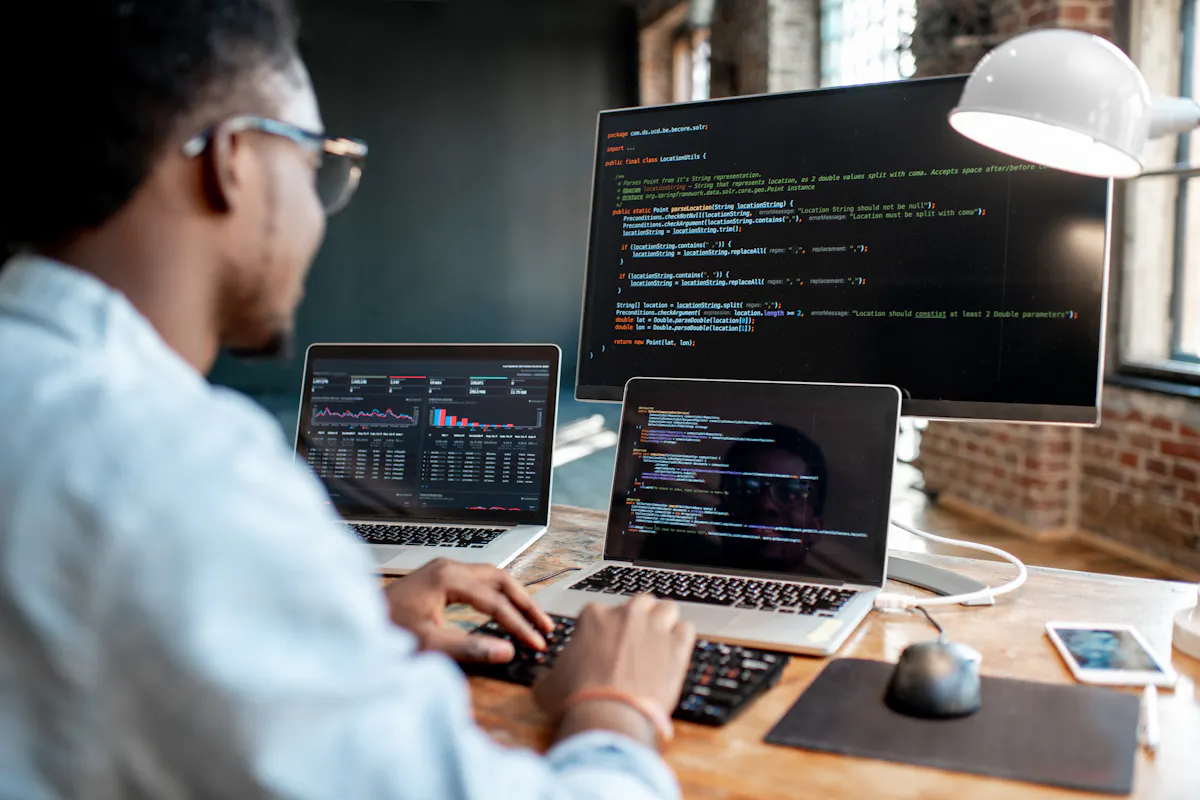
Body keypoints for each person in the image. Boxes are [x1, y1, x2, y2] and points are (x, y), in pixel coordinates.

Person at [0, 2, 694, 798]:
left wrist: (333, 635)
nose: (319, 213)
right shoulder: (181, 471)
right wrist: (616, 709)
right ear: (233, 160)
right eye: (315, 165)